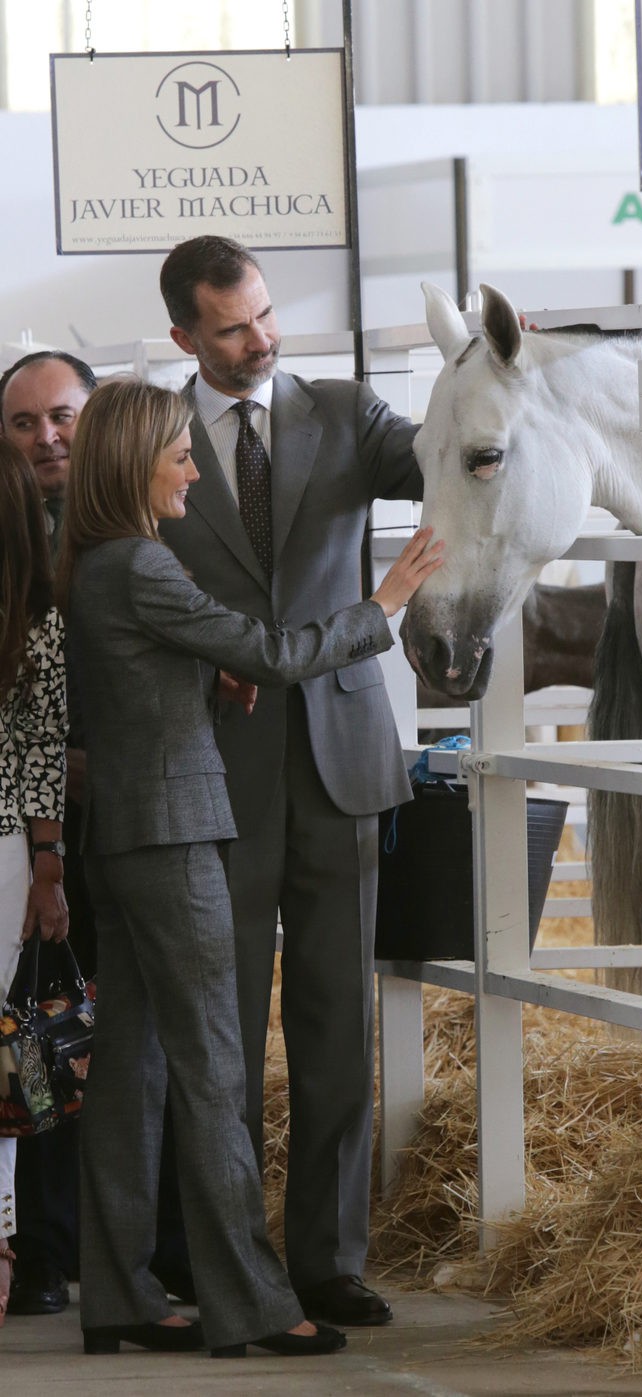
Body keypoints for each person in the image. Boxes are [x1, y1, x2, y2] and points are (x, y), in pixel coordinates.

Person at [56, 377, 442, 1356]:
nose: (193, 465)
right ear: (133, 463)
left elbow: (157, 664)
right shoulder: (142, 564)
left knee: (135, 1069)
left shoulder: (104, 563)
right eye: (178, 454)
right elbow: (272, 650)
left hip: (129, 835)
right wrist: (383, 601)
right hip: (178, 832)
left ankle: (120, 1294)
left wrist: (200, 666)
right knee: (211, 1071)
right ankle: (253, 1306)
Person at [158, 235, 424, 1326]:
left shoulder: (349, 415)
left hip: (341, 759)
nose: (259, 338)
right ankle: (226, 1257)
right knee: (219, 1032)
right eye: (230, 326)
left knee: (331, 1023)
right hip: (213, 763)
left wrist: (498, 377)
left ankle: (326, 1258)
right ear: (184, 335)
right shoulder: (153, 436)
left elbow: (449, 455)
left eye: (264, 314)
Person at [0, 350, 192, 1315]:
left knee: (136, 1026)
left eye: (63, 416)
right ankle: (42, 1248)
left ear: (97, 416)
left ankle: (154, 1248)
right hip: (33, 825)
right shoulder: (8, 545)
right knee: (40, 1025)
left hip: (136, 810)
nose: (47, 438)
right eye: (25, 422)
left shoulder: (151, 530)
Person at [0, 438, 70, 1321]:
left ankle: (4, 1236)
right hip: (11, 844)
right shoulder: (38, 615)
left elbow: (38, 747)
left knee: (11, 1049)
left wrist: (47, 865)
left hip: (4, 845)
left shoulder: (37, 619)